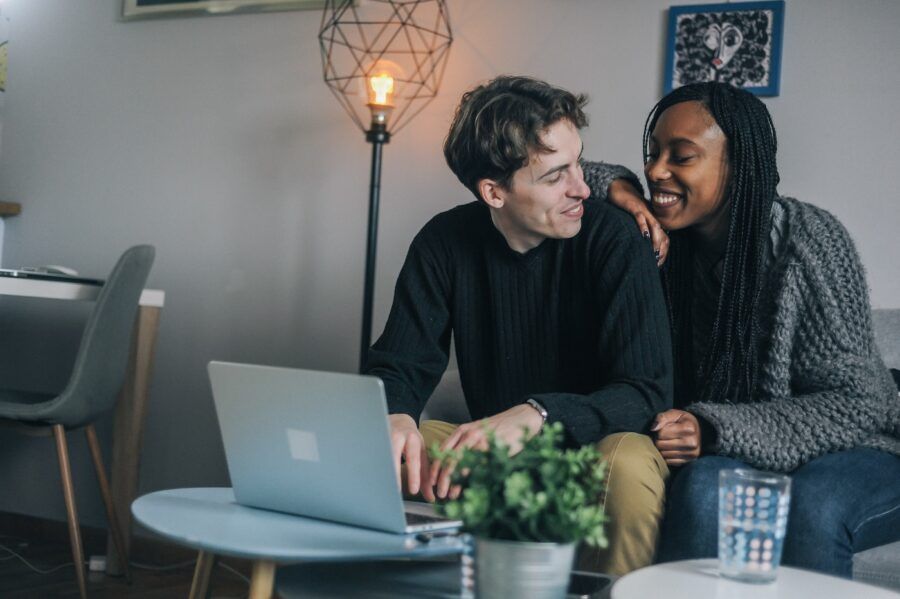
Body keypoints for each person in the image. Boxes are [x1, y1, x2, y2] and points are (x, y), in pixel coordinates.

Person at [365, 75, 673, 575]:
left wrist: (538, 414)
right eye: (556, 176)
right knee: (392, 451)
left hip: (599, 446)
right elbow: (400, 362)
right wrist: (396, 414)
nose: (582, 187)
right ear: (494, 192)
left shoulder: (613, 238)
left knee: (631, 465)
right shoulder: (444, 243)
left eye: (577, 163)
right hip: (495, 448)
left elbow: (647, 390)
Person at [595, 81, 899, 578]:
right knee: (702, 488)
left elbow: (861, 403)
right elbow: (569, 179)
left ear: (738, 166)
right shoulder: (663, 242)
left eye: (682, 156)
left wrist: (714, 427)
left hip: (858, 447)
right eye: (652, 154)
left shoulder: (809, 244)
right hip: (744, 451)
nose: (655, 170)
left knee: (812, 505)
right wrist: (622, 190)